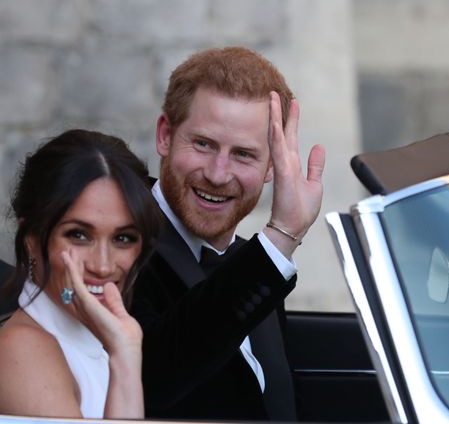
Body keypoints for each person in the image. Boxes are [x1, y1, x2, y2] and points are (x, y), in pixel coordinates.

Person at [130, 47, 326, 420]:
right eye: (203, 144)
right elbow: (154, 379)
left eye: (244, 155)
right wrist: (282, 235)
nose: (218, 174)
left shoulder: (251, 261)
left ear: (272, 167)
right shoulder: (120, 243)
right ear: (165, 136)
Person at [0, 129, 161, 419]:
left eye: (123, 239)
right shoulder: (21, 353)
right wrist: (125, 358)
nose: (102, 265)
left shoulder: (95, 339)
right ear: (31, 239)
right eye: (78, 235)